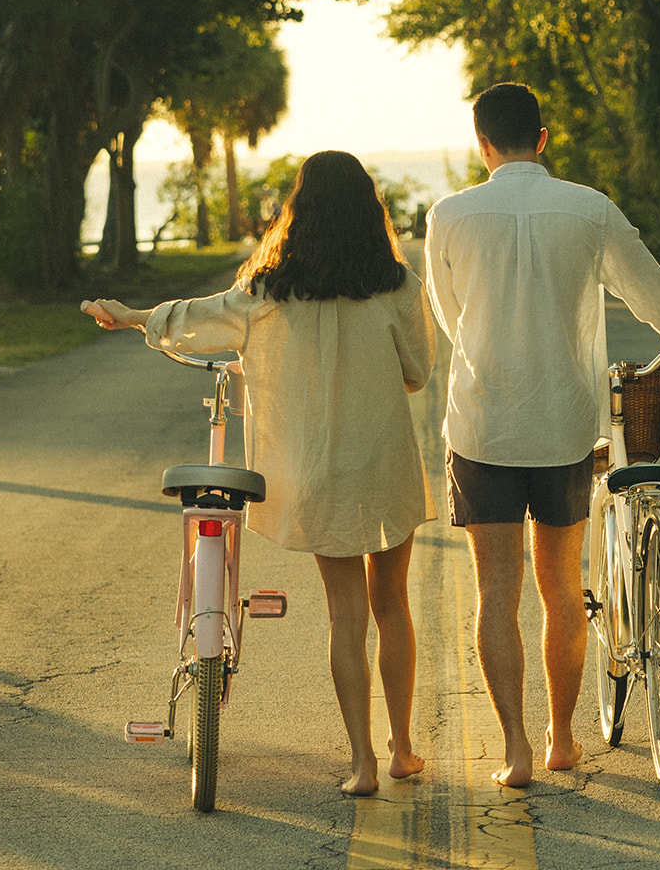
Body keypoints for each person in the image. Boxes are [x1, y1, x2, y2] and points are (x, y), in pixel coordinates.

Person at [81, 150, 437, 796]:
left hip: (313, 471)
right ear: (369, 210)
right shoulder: (397, 287)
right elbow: (418, 372)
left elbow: (196, 318)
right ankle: (403, 749)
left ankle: (359, 763)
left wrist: (133, 316)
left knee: (345, 616)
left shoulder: (268, 291)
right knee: (393, 605)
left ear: (298, 212)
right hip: (381, 463)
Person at [423, 82, 660, 788]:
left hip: (482, 424)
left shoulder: (449, 215)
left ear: (482, 144)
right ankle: (563, 737)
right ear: (543, 138)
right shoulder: (588, 207)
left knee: (494, 593)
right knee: (562, 586)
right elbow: (645, 282)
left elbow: (449, 316)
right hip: (564, 422)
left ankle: (514, 752)